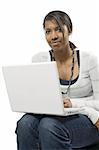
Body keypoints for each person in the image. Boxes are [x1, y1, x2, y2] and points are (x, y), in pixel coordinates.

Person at [15, 10, 99, 150]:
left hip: (88, 119)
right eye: (48, 31)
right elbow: (37, 96)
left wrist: (73, 103)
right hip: (54, 116)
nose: (53, 36)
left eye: (59, 29)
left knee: (48, 126)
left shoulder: (89, 60)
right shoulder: (39, 60)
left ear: (69, 30)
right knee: (25, 124)